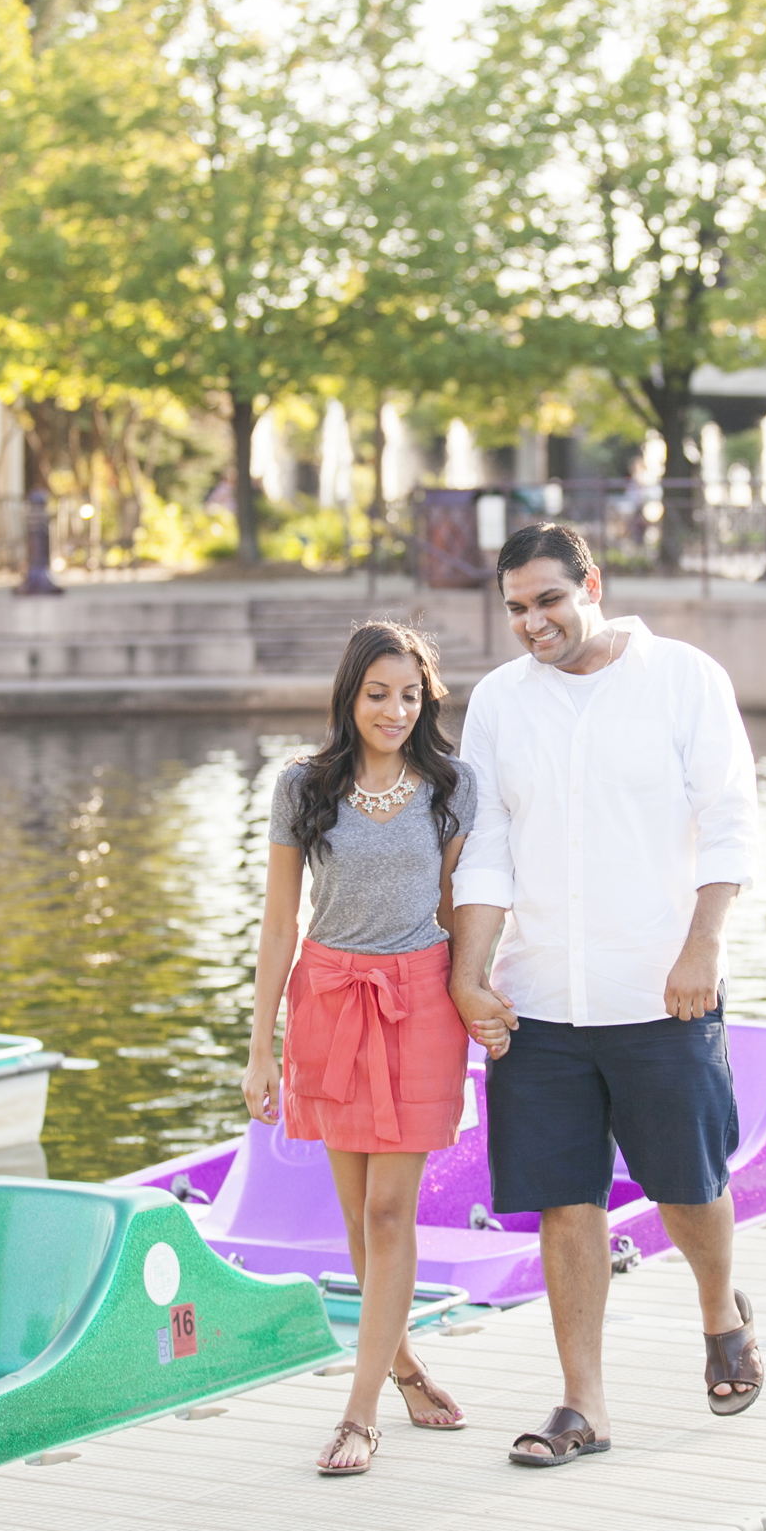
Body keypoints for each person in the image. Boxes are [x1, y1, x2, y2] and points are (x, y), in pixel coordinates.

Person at [450, 522, 763, 1468]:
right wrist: (470, 973)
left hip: (660, 986)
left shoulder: (683, 678)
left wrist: (701, 947)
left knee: (687, 1184)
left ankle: (719, 1310)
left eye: (548, 599)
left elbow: (728, 820)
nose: (532, 623)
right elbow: (488, 845)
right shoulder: (500, 704)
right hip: (538, 995)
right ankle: (582, 1403)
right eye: (514, 608)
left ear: (591, 581)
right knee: (562, 1199)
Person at [242, 619, 503, 1477]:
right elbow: (280, 923)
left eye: (409, 695)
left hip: (419, 1002)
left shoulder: (452, 785)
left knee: (392, 1211)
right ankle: (403, 1366)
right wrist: (261, 1048)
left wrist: (474, 989)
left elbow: (463, 903)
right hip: (328, 998)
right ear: (349, 696)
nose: (394, 710)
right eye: (377, 694)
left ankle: (358, 1416)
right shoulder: (302, 786)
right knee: (357, 1218)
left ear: (427, 701)